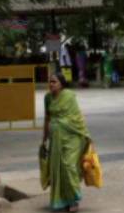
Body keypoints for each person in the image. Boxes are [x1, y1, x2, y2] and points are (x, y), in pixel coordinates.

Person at [42, 73, 90, 212]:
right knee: (58, 169)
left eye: (54, 82)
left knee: (69, 166)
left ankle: (74, 200)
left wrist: (85, 134)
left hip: (72, 137)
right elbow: (47, 118)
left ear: (61, 84)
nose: (51, 84)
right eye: (50, 82)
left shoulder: (69, 96)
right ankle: (62, 200)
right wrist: (44, 138)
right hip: (56, 139)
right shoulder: (47, 97)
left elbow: (77, 117)